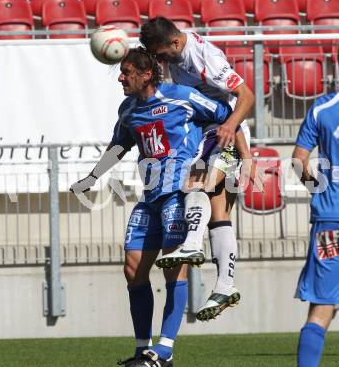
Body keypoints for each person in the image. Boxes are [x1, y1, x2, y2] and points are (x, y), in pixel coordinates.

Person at [70, 48, 252, 367]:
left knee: (172, 269)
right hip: (150, 195)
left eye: (127, 72)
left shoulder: (182, 97)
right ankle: (143, 349)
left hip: (178, 194)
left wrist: (246, 159)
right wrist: (92, 177)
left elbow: (227, 116)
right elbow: (119, 146)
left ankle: (164, 350)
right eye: (121, 72)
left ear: (146, 75)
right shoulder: (128, 109)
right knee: (133, 268)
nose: (121, 78)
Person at [140, 16, 255, 321]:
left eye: (162, 55)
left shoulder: (207, 58)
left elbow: (246, 96)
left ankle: (192, 244)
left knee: (196, 183)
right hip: (212, 134)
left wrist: (238, 139)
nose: (161, 61)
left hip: (227, 131)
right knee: (219, 214)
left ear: (175, 43)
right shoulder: (175, 55)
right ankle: (225, 286)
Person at [292, 91, 339, 367]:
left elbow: (299, 160)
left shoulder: (323, 108)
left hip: (331, 219)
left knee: (322, 308)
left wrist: (320, 193)